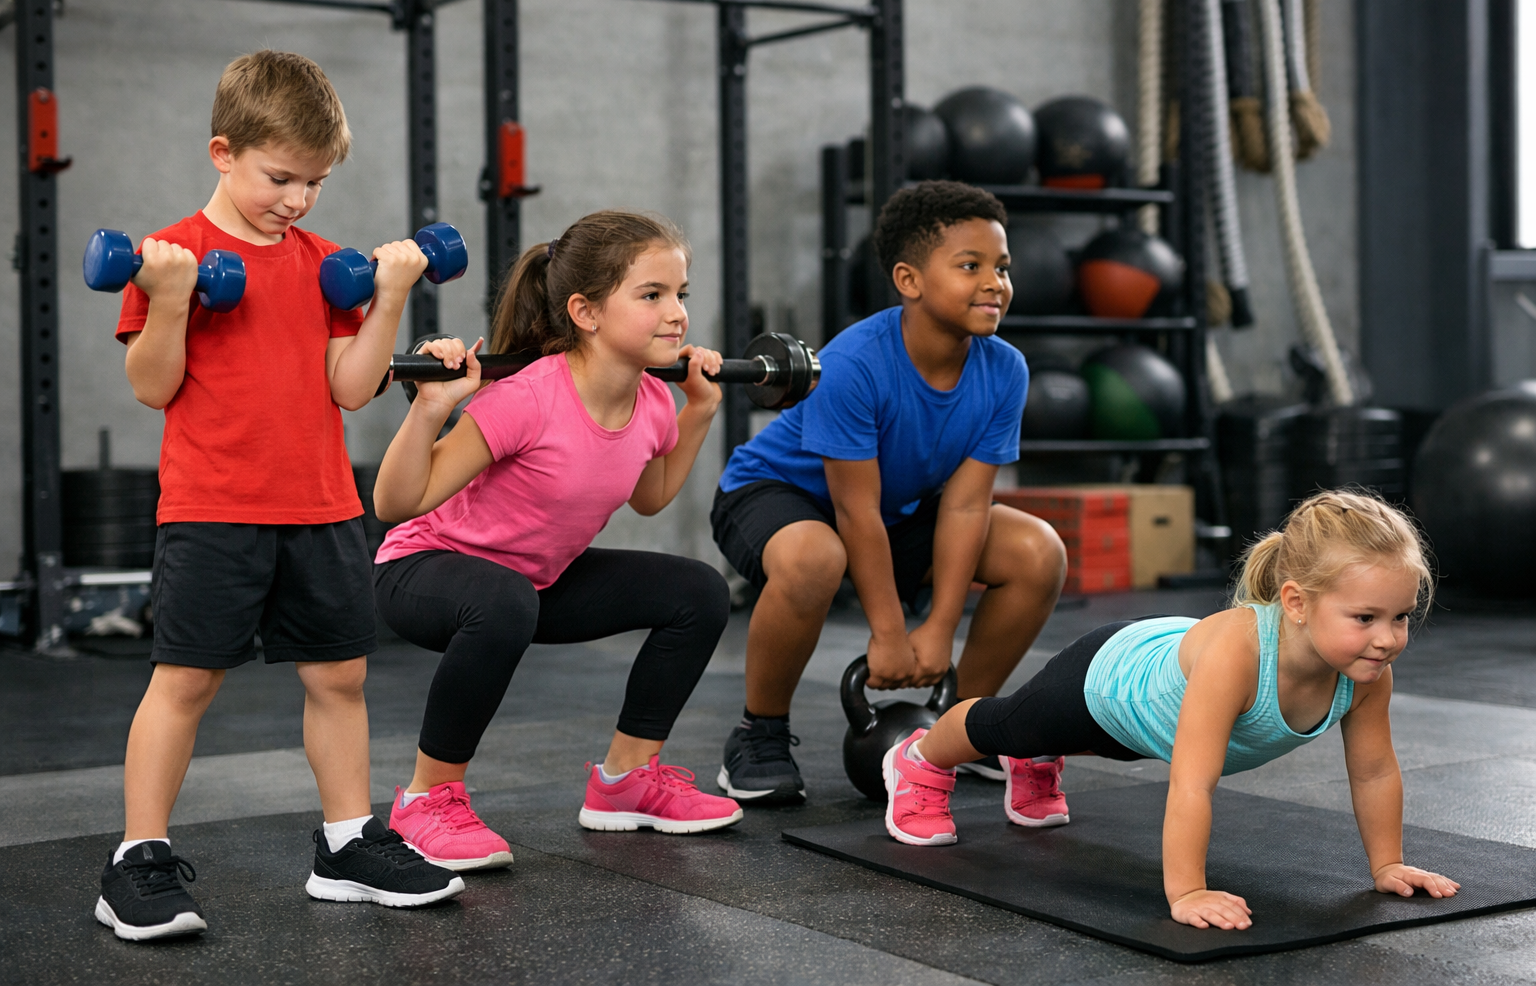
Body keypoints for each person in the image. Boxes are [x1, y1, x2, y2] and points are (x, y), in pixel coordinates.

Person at [103, 51, 462, 942]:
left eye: (315, 182)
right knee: (184, 680)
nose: (297, 199)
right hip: (213, 507)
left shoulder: (322, 265)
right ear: (223, 152)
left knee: (340, 675)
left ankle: (345, 845)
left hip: (321, 506)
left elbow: (350, 387)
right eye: (279, 177)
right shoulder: (170, 257)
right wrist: (175, 299)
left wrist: (388, 297)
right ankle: (136, 860)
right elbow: (152, 386)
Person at [885, 490, 1462, 930]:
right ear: (1297, 603)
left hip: (1151, 712)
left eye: (1400, 617)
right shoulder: (1240, 656)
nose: (1386, 638)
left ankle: (1036, 759)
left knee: (1109, 744)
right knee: (1003, 725)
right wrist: (1187, 892)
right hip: (1107, 678)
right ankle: (919, 757)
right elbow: (1191, 783)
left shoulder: (1365, 676)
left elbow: (1374, 771)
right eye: (1366, 618)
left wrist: (1388, 865)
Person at [370, 210, 742, 872]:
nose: (677, 313)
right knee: (504, 600)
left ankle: (626, 780)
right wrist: (431, 409)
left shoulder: (653, 402)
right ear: (586, 312)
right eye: (652, 295)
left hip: (534, 583)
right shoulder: (529, 397)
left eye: (681, 294)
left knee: (699, 592)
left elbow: (651, 498)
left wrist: (700, 411)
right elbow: (396, 503)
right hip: (422, 571)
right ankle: (427, 797)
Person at [711, 180, 1067, 806]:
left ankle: (962, 728)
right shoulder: (854, 362)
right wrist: (890, 634)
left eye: (1001, 267)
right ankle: (759, 732)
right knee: (814, 557)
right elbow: (853, 508)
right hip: (774, 493)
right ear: (909, 280)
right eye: (970, 266)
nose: (995, 283)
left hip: (895, 511)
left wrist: (937, 632)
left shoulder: (1004, 368)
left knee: (1038, 552)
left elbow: (965, 505)